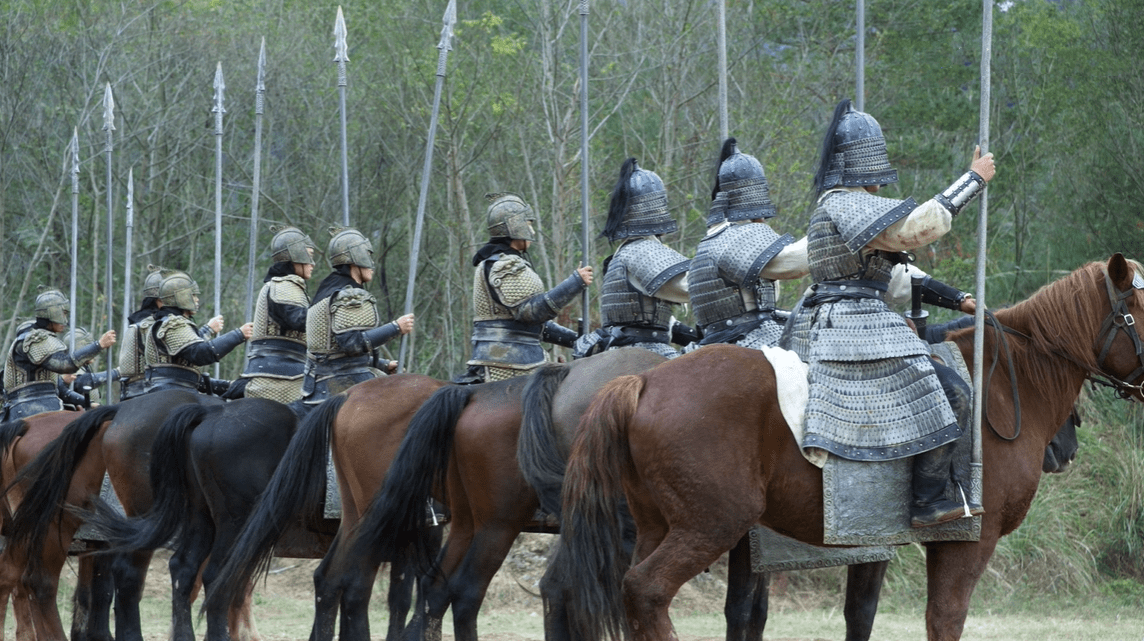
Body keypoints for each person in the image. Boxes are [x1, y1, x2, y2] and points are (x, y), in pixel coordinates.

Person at [783, 99, 995, 528]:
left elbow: (898, 276)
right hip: (854, 325)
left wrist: (957, 299)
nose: (882, 182)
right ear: (864, 165)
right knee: (953, 392)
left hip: (843, 316)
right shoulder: (846, 204)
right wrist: (971, 182)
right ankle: (929, 498)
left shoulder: (843, 206)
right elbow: (914, 230)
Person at [688, 138, 808, 350]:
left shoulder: (710, 240)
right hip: (749, 337)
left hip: (711, 340)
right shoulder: (737, 235)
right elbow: (792, 265)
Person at [459, 193, 591, 383]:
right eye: (528, 224)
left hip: (513, 358)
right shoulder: (505, 265)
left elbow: (536, 326)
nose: (533, 231)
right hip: (510, 364)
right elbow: (532, 312)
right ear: (515, 225)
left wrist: (577, 340)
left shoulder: (497, 261)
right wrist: (575, 282)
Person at [580, 158, 693, 359]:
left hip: (616, 349)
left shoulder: (623, 253)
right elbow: (692, 287)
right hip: (646, 350)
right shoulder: (642, 251)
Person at [300, 227, 414, 406]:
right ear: (356, 256)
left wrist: (382, 364)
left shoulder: (328, 289)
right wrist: (396, 327)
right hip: (342, 382)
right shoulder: (348, 294)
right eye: (368, 255)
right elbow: (352, 343)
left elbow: (337, 353)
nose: (372, 264)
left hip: (321, 380)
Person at [227, 226, 317, 402]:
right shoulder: (283, 285)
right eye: (309, 257)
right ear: (295, 256)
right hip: (280, 374)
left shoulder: (293, 287)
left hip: (293, 369)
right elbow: (298, 320)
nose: (313, 264)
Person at [1, 288, 116, 420]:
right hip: (25, 408)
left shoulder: (47, 341)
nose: (65, 320)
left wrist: (88, 404)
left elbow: (61, 391)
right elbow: (65, 365)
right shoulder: (32, 340)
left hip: (50, 404)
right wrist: (99, 345)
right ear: (53, 312)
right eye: (63, 313)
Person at [119, 265, 224, 400]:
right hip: (147, 393)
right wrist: (207, 330)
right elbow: (186, 352)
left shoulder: (144, 321)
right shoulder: (152, 324)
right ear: (162, 299)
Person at [142, 270, 252, 394]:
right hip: (171, 392)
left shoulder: (172, 322)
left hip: (179, 387)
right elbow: (201, 354)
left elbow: (187, 375)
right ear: (180, 297)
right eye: (193, 295)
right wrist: (238, 334)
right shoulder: (172, 324)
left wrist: (230, 386)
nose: (197, 299)